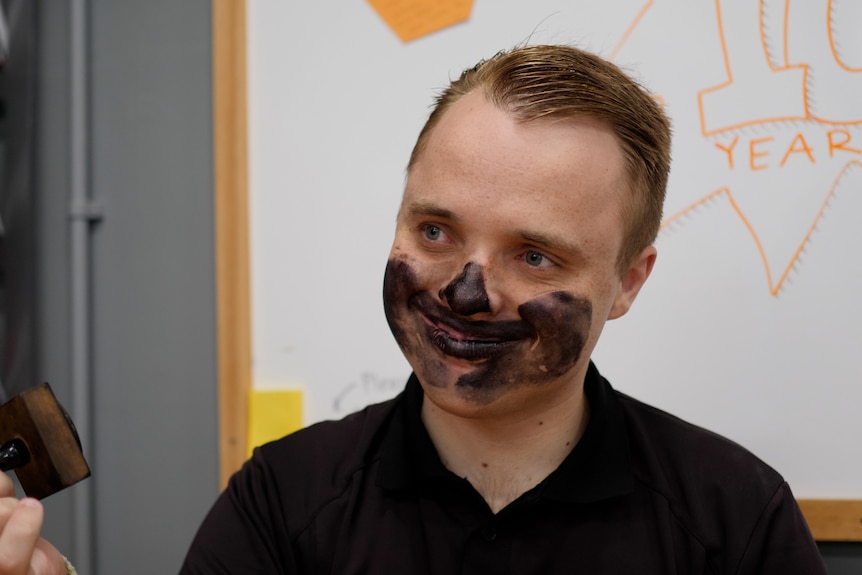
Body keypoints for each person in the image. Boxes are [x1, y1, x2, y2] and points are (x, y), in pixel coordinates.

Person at [0, 43, 826, 574]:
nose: (463, 292)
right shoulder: (282, 505)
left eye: (534, 254)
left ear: (629, 282)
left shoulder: (734, 519)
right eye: (435, 229)